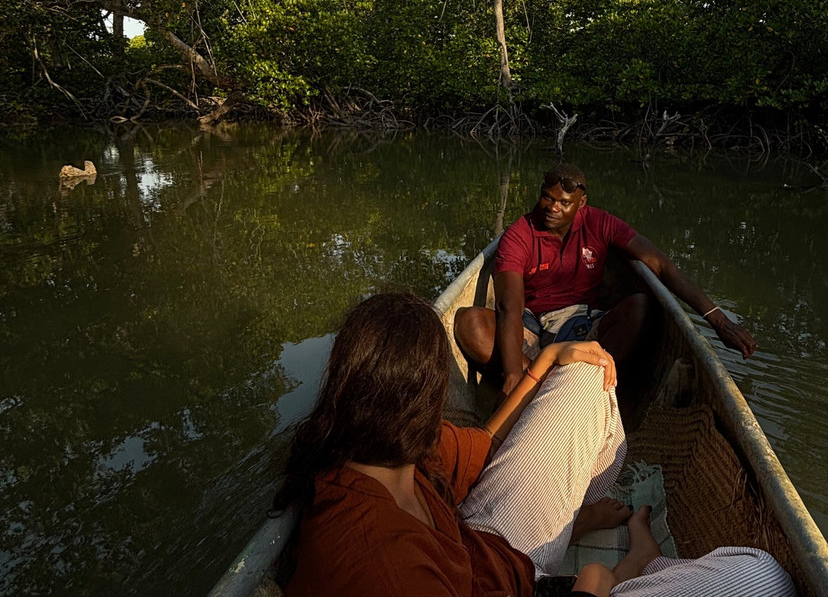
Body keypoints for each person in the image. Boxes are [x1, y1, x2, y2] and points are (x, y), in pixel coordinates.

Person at [273, 291, 796, 597]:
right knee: (761, 577)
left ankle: (573, 522)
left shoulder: (386, 447)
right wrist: (596, 585)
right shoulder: (380, 570)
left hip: (498, 555)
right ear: (428, 396)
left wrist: (545, 365)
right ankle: (630, 562)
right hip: (525, 579)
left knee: (587, 374)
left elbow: (481, 444)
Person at [455, 163, 758, 401]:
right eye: (547, 198)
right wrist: (511, 376)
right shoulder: (519, 235)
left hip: (586, 325)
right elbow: (510, 307)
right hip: (531, 326)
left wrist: (719, 321)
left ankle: (563, 385)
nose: (552, 208)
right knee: (469, 322)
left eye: (564, 202)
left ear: (581, 203)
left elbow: (663, 267)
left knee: (640, 307)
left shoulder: (599, 223)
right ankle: (544, 385)